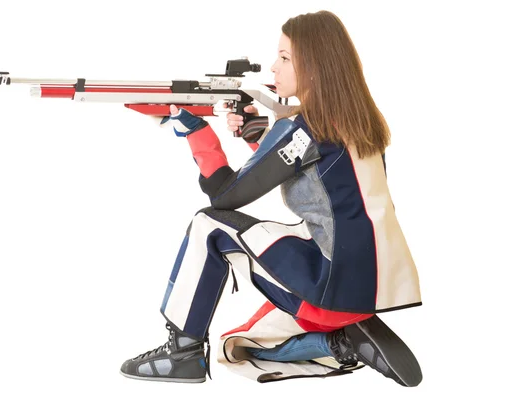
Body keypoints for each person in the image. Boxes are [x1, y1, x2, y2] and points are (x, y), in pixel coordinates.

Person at [119, 10, 422, 386]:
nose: (274, 69)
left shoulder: (304, 128)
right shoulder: (357, 122)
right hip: (366, 287)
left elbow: (225, 197)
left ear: (314, 65)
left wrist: (195, 132)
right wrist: (258, 134)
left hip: (328, 284)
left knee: (207, 223)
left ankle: (183, 350)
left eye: (284, 58)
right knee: (239, 345)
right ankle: (339, 343)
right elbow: (317, 176)